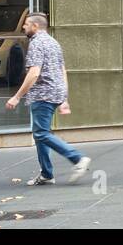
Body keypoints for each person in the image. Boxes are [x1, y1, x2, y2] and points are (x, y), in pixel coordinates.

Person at [6, 13, 91, 187]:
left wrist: (17, 96)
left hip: (42, 94)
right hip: (55, 92)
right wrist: (64, 97)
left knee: (41, 133)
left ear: (35, 26)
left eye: (26, 24)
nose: (24, 27)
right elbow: (62, 71)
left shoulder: (37, 43)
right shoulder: (53, 42)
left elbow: (34, 73)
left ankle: (77, 158)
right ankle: (46, 174)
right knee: (40, 134)